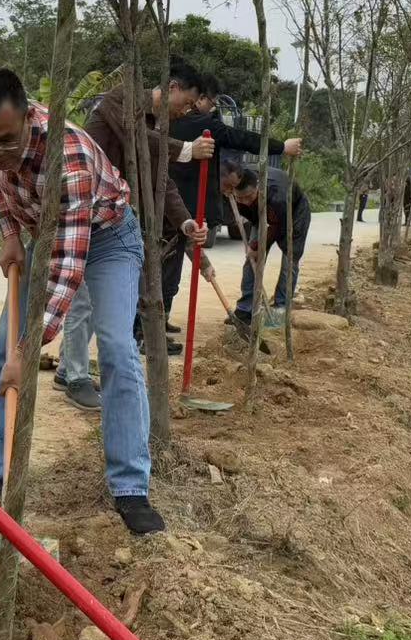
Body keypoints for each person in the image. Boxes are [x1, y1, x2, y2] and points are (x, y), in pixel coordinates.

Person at [0, 68, 167, 535]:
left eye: (4, 140)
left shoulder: (69, 156)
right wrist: (9, 236)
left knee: (117, 349)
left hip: (107, 239)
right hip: (42, 237)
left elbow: (68, 268)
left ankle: (130, 486)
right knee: (4, 347)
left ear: (28, 117)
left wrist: (33, 348)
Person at [52, 66, 212, 406]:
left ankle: (69, 367)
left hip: (109, 211)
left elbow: (161, 182)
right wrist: (185, 149)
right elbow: (136, 136)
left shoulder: (153, 125)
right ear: (172, 87)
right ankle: (76, 377)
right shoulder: (124, 99)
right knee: (84, 296)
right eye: (189, 101)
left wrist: (185, 224)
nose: (188, 109)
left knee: (94, 295)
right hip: (79, 201)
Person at [164, 68, 301, 315]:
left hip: (171, 205)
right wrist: (281, 147)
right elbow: (241, 138)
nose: (213, 110)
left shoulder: (173, 122)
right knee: (166, 272)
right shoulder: (201, 124)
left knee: (168, 271)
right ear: (200, 99)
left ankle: (158, 324)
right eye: (212, 104)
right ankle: (147, 333)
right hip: (178, 207)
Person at [219, 159, 311, 330]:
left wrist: (256, 246)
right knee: (251, 261)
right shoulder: (236, 179)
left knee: (289, 261)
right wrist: (254, 248)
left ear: (259, 189)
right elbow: (250, 213)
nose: (245, 201)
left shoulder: (278, 196)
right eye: (241, 198)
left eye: (249, 197)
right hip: (261, 213)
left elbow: (276, 227)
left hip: (293, 213)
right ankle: (246, 309)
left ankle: (280, 307)